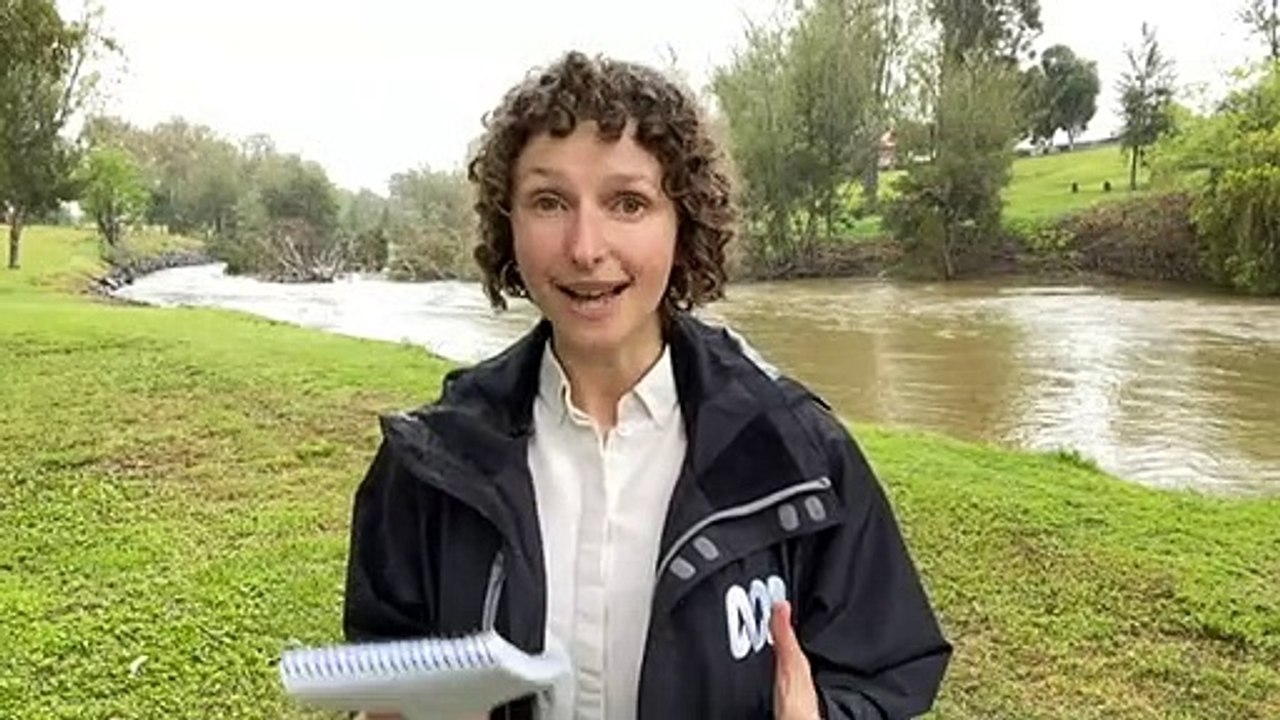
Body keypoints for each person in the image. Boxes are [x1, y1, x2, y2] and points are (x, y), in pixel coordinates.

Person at [343, 50, 951, 720]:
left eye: (628, 203)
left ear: (683, 222)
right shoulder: (429, 464)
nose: (584, 246)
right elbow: (383, 664)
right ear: (506, 221)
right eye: (549, 201)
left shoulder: (797, 453)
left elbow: (885, 674)